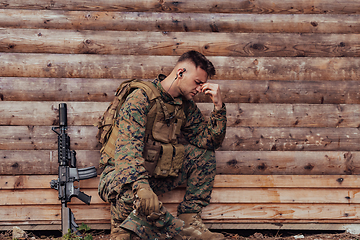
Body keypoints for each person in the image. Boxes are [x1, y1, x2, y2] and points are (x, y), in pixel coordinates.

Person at [98, 50, 227, 240]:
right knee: (132, 194)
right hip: (120, 175)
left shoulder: (184, 105)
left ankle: (189, 221)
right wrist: (141, 188)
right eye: (197, 82)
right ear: (180, 72)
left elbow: (208, 141)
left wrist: (218, 107)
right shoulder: (140, 98)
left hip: (155, 174)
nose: (199, 89)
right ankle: (123, 229)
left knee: (203, 154)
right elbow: (128, 152)